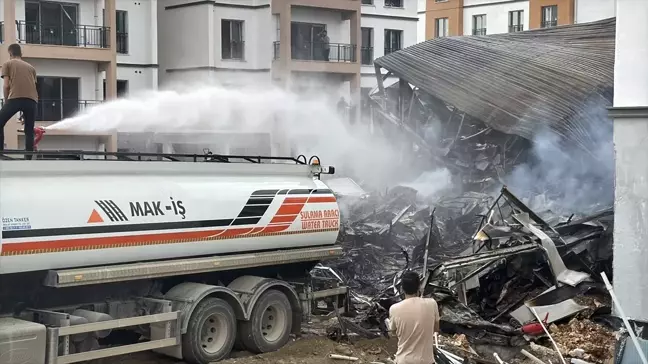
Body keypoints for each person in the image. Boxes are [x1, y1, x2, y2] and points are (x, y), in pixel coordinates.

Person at [388, 270, 440, 364]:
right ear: (419, 287)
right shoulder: (432, 304)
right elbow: (436, 328)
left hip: (404, 361)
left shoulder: (394, 309)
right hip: (426, 361)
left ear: (402, 289)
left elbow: (393, 333)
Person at [0, 43, 38, 153]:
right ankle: (28, 158)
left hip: (15, 98)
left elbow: (6, 85)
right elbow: (33, 87)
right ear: (21, 53)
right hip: (32, 101)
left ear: (10, 53)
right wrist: (23, 111)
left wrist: (7, 102)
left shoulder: (7, 64)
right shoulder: (31, 68)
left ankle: (0, 152)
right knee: (29, 130)